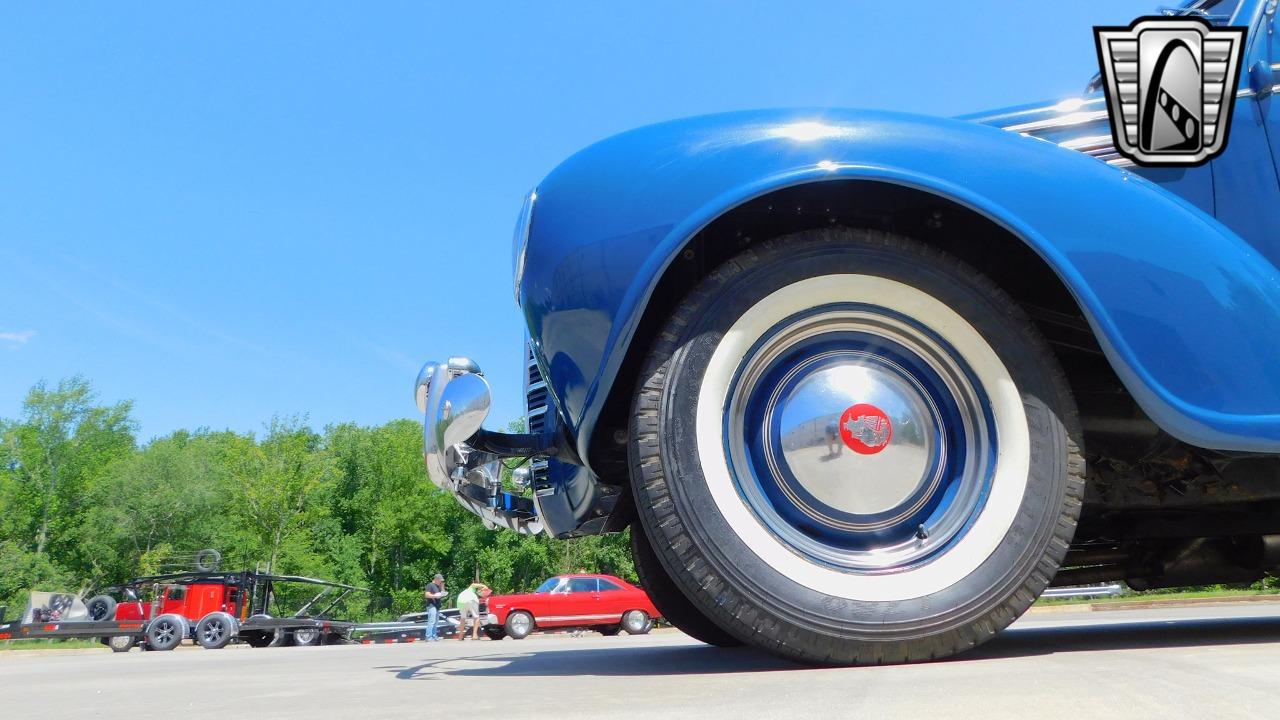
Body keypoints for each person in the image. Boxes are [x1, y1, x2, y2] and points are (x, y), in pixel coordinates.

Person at [423, 574, 447, 642]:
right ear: (436, 579)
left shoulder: (438, 586)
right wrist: (434, 596)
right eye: (440, 580)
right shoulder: (430, 585)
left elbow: (443, 593)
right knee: (432, 621)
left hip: (437, 606)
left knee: (436, 622)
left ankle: (434, 636)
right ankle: (428, 636)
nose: (441, 582)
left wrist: (442, 586)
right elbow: (426, 594)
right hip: (431, 605)